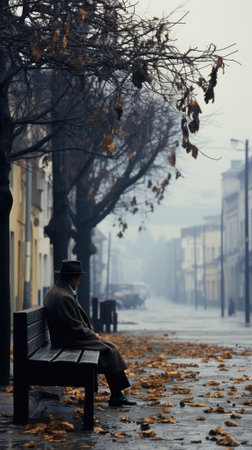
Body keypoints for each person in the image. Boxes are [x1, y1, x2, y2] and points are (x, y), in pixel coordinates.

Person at [43, 259, 136, 407]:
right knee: (108, 350)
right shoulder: (63, 296)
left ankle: (118, 394)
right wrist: (93, 335)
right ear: (72, 278)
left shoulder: (59, 291)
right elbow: (74, 327)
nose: (79, 282)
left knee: (109, 346)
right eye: (78, 279)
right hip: (67, 340)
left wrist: (92, 335)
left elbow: (73, 324)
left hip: (65, 337)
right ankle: (117, 395)